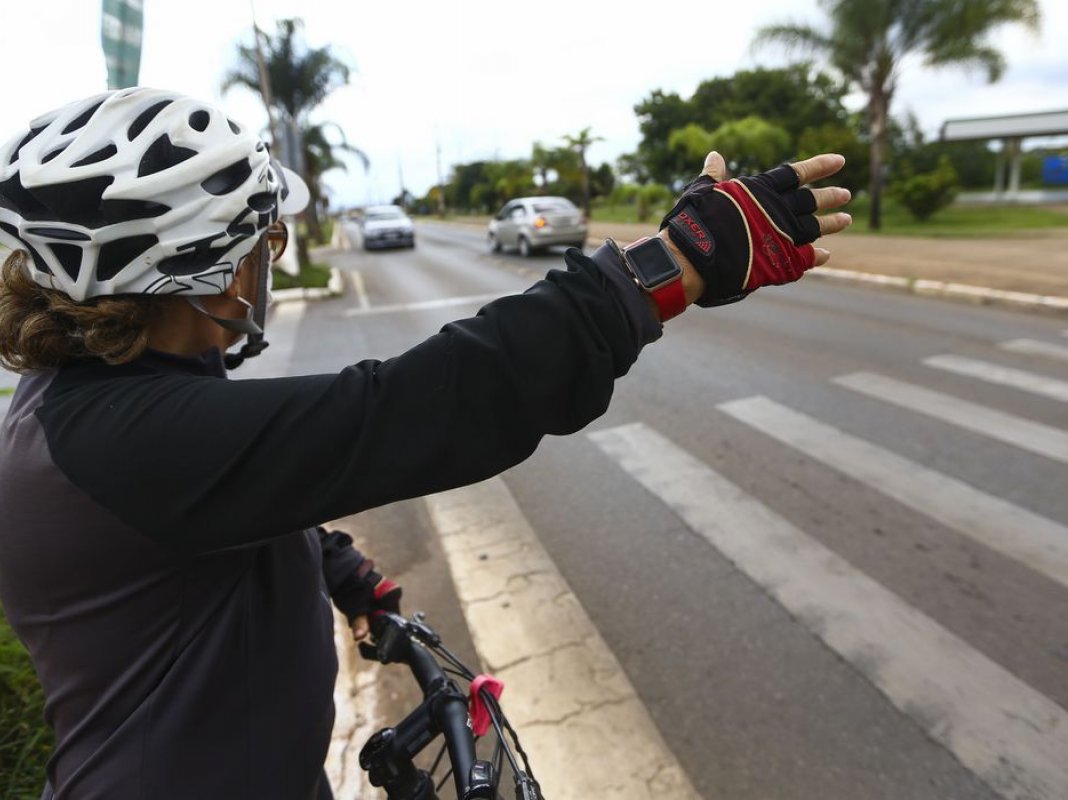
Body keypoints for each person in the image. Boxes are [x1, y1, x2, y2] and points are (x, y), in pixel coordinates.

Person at [0, 87, 851, 799]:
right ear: (204, 273)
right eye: (260, 244)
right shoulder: (116, 441)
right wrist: (667, 267)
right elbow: (403, 411)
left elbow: (238, 491)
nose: (263, 264)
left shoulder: (94, 402)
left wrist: (344, 574)